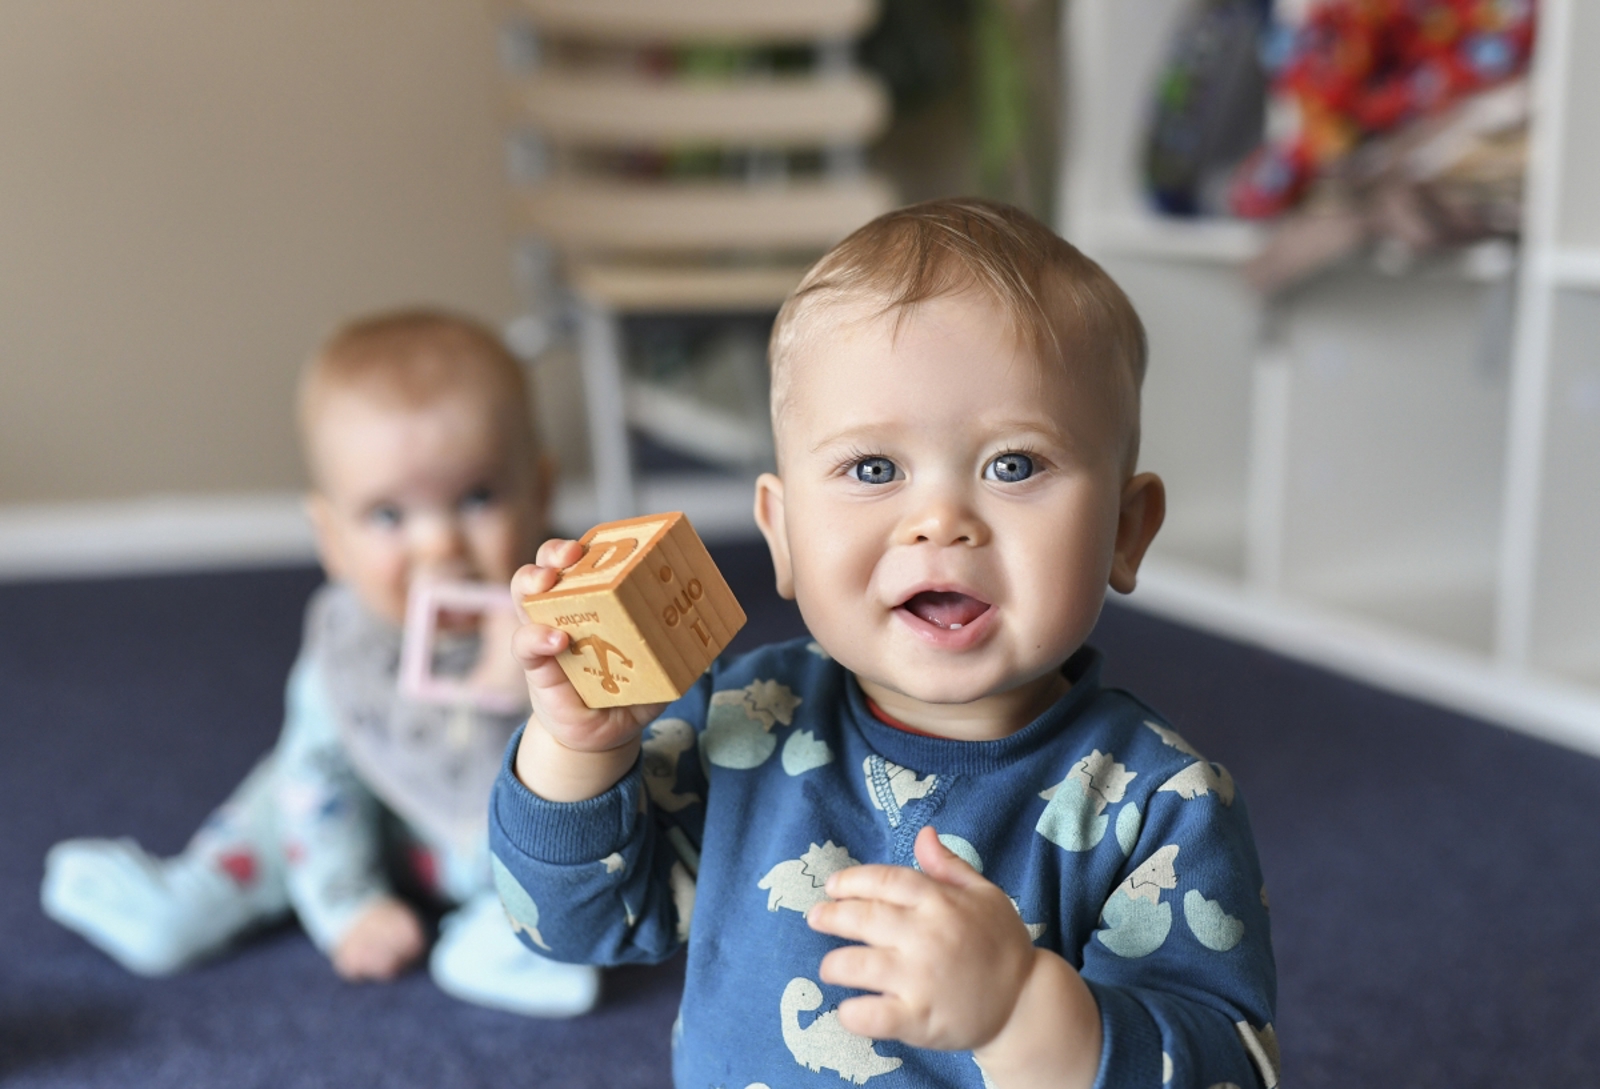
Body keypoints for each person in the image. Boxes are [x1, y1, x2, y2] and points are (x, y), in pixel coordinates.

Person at [490, 199, 1279, 1085]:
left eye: (1013, 465)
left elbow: (1227, 1067)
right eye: (873, 469)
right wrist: (579, 749)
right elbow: (572, 925)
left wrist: (1025, 1007)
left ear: (1126, 531)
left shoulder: (1160, 803)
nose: (940, 520)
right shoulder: (743, 718)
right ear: (783, 536)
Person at [42, 308, 599, 1017]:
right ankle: (179, 902)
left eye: (478, 497)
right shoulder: (348, 644)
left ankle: (510, 936)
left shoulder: (564, 603)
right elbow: (317, 786)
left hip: (485, 822)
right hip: (348, 804)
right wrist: (349, 906)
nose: (439, 544)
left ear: (541, 491)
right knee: (278, 807)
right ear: (331, 537)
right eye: (388, 516)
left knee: (572, 831)